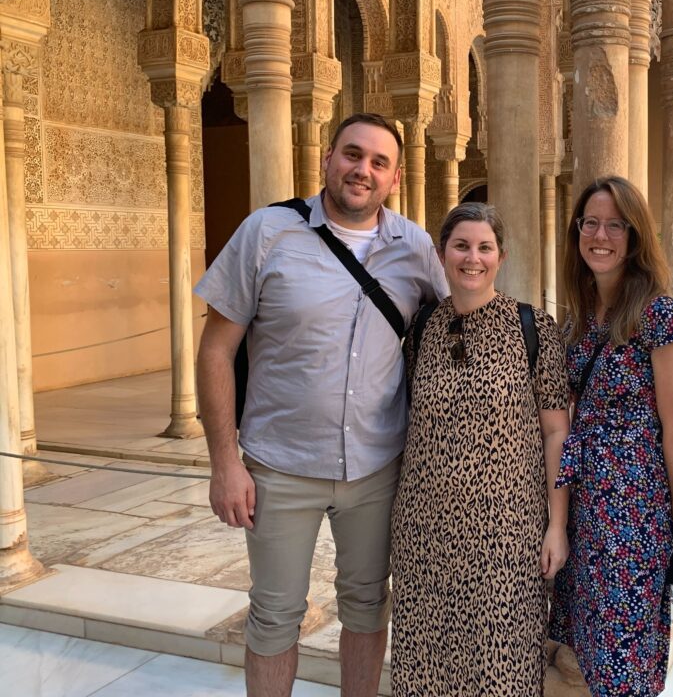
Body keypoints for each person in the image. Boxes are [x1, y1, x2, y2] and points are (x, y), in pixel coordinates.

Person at [194, 112, 447, 697]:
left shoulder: (414, 247)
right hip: (280, 467)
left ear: (395, 177)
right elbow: (215, 349)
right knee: (275, 614)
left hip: (377, 466)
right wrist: (224, 463)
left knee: (365, 605)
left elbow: (456, 326)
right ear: (327, 159)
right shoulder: (267, 232)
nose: (363, 170)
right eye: (352, 155)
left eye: (378, 162)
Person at [389, 202, 570, 695]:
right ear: (442, 254)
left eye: (484, 247)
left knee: (502, 668)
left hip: (508, 534)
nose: (473, 258)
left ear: (501, 256)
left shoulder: (533, 329)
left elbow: (557, 434)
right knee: (426, 663)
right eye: (461, 246)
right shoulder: (421, 330)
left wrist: (557, 525)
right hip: (425, 532)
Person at [549, 176, 673, 696]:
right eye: (591, 223)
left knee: (624, 661)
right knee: (589, 651)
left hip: (632, 516)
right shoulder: (583, 317)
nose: (601, 235)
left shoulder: (658, 316)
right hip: (586, 506)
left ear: (634, 237)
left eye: (615, 225)